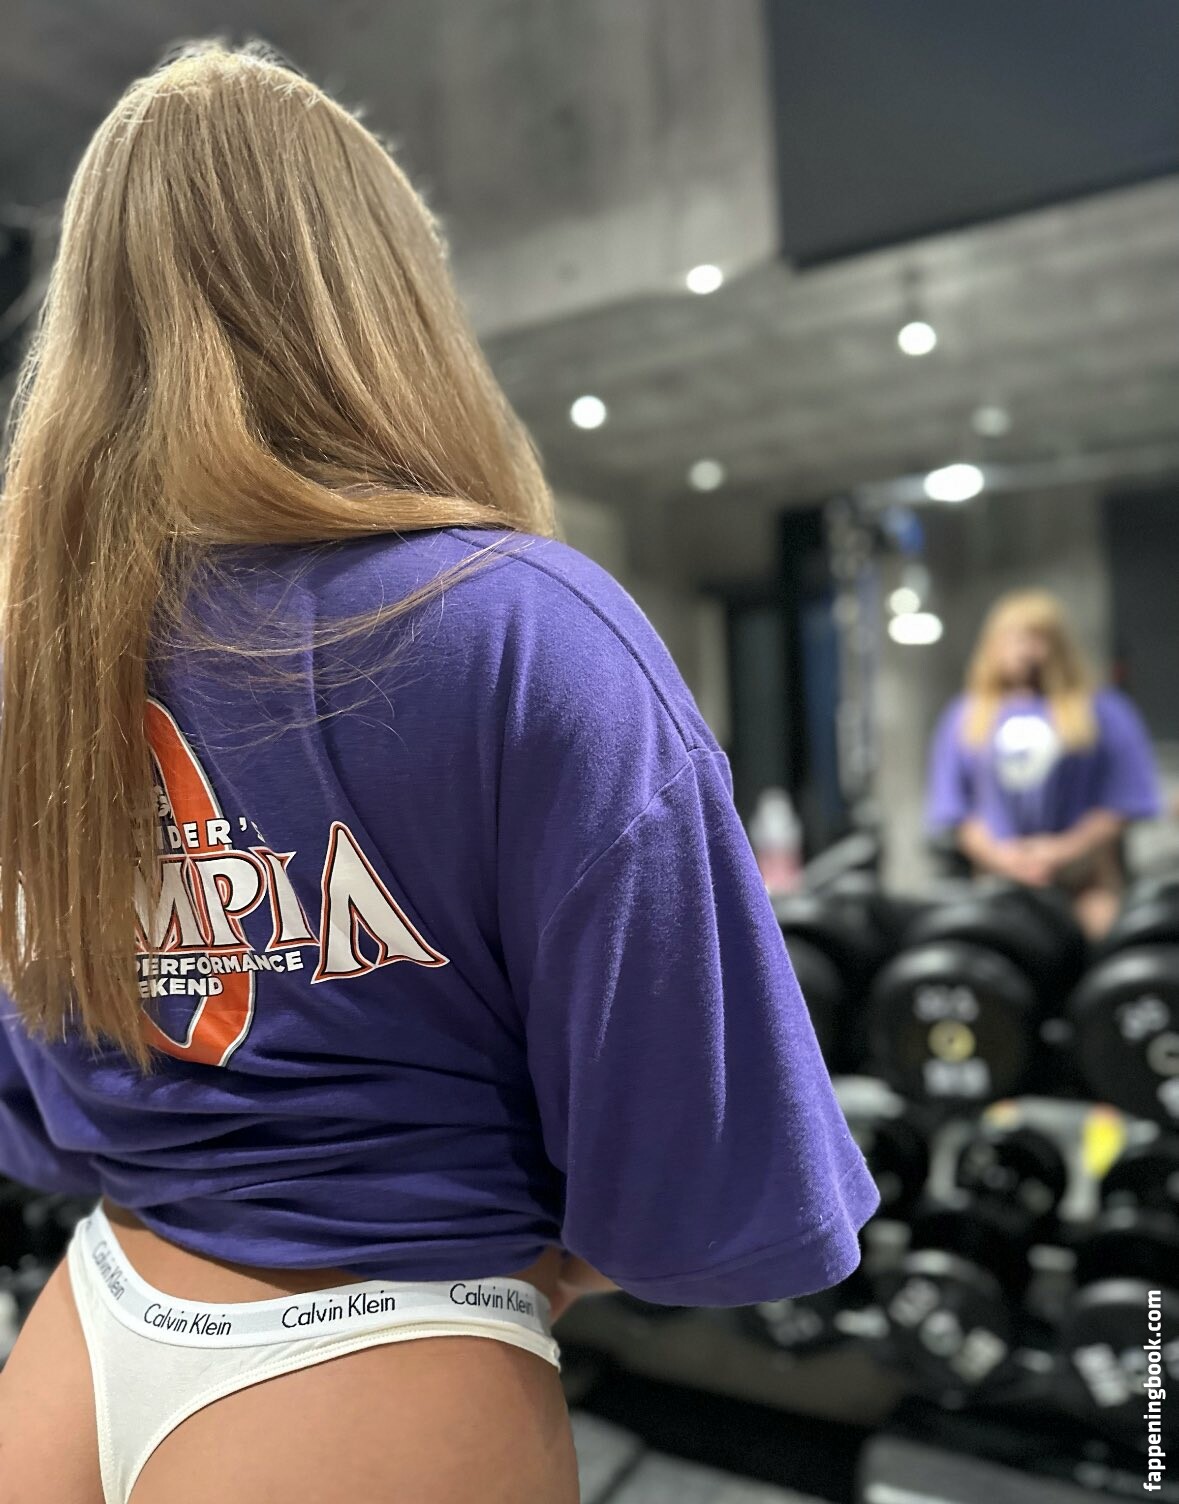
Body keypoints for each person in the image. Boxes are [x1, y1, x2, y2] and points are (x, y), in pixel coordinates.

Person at [0, 44, 877, 1504]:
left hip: (79, 1334)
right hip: (384, 1366)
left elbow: (31, 1096)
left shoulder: (30, 658)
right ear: (384, 295)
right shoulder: (521, 627)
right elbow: (697, 1179)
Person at [926, 589, 1161, 938]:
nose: (1025, 651)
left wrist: (1061, 852)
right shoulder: (964, 718)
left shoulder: (1104, 712)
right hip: (995, 884)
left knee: (1104, 941)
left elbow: (1125, 801)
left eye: (1037, 638)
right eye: (1014, 638)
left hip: (1084, 882)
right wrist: (1005, 858)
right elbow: (955, 810)